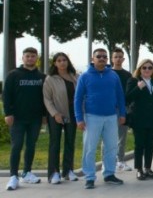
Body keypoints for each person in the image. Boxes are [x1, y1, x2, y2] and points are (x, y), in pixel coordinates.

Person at [74, 48, 126, 189]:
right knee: (90, 148)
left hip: (111, 117)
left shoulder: (113, 75)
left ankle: (109, 174)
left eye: (104, 56)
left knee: (111, 147)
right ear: (93, 58)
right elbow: (78, 99)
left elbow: (120, 96)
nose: (102, 58)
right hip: (92, 117)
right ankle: (90, 177)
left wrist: (122, 114)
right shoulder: (85, 76)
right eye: (99, 56)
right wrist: (79, 118)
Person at [4, 47, 46, 191]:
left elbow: (45, 98)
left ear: (36, 58)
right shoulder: (13, 75)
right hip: (17, 118)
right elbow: (6, 95)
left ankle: (27, 172)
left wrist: (44, 115)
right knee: (16, 146)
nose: (30, 58)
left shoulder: (42, 77)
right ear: (23, 58)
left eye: (33, 56)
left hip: (35, 118)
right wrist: (7, 113)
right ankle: (13, 176)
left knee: (31, 145)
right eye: (27, 56)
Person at [125, 59, 153, 181]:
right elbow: (128, 98)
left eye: (150, 68)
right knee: (139, 145)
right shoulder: (133, 81)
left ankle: (148, 168)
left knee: (150, 145)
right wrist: (138, 88)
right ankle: (139, 169)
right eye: (144, 68)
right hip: (139, 118)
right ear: (139, 69)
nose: (147, 70)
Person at [43, 52, 79, 185]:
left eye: (64, 60)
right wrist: (55, 114)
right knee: (55, 143)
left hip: (72, 114)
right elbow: (47, 99)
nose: (62, 62)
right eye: (59, 60)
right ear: (55, 63)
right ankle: (54, 173)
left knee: (70, 142)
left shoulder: (75, 77)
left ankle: (68, 171)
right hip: (56, 115)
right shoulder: (50, 79)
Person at [110, 48, 133, 172]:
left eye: (120, 57)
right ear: (112, 58)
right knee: (108, 137)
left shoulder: (127, 75)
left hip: (123, 109)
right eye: (116, 57)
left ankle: (120, 160)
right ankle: (107, 161)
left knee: (122, 137)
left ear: (123, 59)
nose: (118, 59)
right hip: (109, 109)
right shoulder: (108, 73)